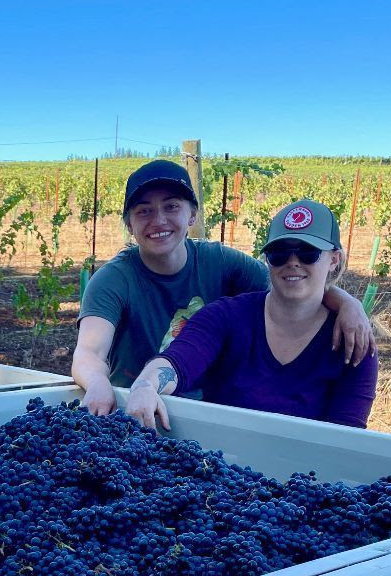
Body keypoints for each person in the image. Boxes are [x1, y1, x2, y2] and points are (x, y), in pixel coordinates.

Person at [72, 159, 374, 414]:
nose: (159, 220)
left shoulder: (221, 262)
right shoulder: (113, 280)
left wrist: (347, 303)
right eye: (144, 211)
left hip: (203, 412)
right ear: (129, 224)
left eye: (171, 206)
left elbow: (290, 287)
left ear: (192, 215)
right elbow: (89, 352)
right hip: (137, 410)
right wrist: (105, 387)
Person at [126, 199, 378, 430]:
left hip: (306, 475)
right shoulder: (226, 317)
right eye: (279, 254)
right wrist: (146, 385)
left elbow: (346, 439)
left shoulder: (355, 344)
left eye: (307, 253)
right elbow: (177, 362)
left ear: (334, 259)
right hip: (221, 468)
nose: (292, 262)